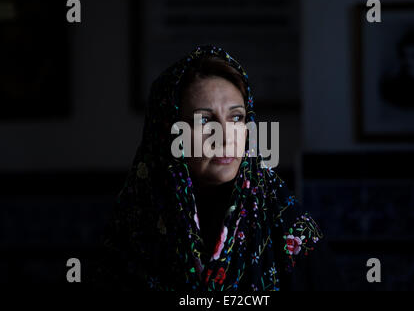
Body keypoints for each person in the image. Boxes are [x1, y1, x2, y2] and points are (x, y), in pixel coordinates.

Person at [89, 44, 324, 291]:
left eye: (236, 117)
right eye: (204, 120)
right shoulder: (135, 225)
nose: (225, 137)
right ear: (169, 134)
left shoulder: (283, 215)